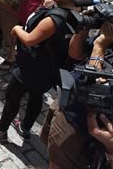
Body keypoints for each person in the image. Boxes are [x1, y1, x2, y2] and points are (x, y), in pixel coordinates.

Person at [0, 0, 85, 143]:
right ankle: (25, 127)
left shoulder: (54, 19)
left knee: (12, 97)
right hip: (50, 68)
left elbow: (29, 40)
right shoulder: (78, 15)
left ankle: (0, 130)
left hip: (32, 66)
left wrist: (17, 29)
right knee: (36, 97)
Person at [42, 21, 113, 169]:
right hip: (68, 104)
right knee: (51, 150)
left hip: (83, 127)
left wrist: (100, 46)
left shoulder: (105, 39)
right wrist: (84, 27)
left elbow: (94, 88)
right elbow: (75, 54)